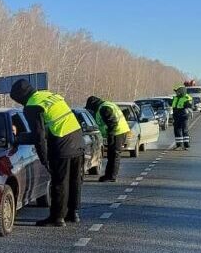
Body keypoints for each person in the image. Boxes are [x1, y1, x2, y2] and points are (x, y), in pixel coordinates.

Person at [10, 79, 84, 226]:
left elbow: (39, 136)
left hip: (63, 142)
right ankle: (73, 213)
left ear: (20, 96)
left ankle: (57, 218)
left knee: (59, 181)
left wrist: (45, 159)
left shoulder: (32, 105)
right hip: (78, 138)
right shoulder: (47, 95)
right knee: (74, 179)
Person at [85, 95, 130, 182]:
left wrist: (111, 136)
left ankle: (111, 176)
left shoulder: (104, 108)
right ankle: (109, 175)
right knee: (112, 154)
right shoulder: (108, 104)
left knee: (114, 155)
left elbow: (112, 123)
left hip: (117, 133)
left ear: (93, 105)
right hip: (120, 131)